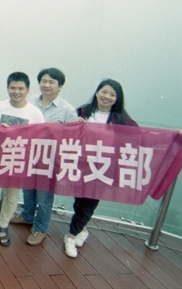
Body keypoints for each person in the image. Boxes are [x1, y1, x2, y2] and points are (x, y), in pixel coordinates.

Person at [63, 79, 138, 258]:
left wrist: (175, 136)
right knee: (79, 201)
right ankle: (82, 229)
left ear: (117, 98)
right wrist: (74, 125)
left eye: (112, 94)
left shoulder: (121, 119)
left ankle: (70, 237)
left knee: (89, 204)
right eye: (104, 92)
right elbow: (64, 129)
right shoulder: (83, 111)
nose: (107, 96)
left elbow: (141, 136)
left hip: (103, 169)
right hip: (80, 165)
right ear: (97, 93)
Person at [0, 72, 44, 246]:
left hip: (19, 160)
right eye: (13, 88)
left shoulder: (35, 113)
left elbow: (40, 138)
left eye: (20, 88)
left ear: (28, 90)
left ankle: (3, 225)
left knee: (12, 195)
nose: (16, 92)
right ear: (7, 88)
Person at [11, 67, 78, 246]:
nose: (47, 85)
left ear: (60, 86)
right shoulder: (30, 101)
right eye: (44, 81)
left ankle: (40, 228)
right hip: (28, 155)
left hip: (50, 160)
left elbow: (72, 138)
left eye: (51, 82)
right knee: (28, 189)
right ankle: (27, 216)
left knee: (44, 196)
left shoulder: (67, 110)